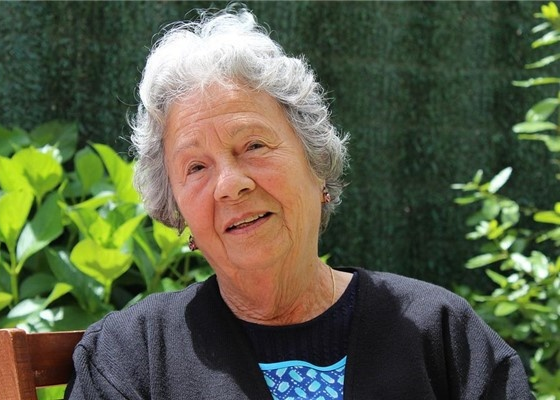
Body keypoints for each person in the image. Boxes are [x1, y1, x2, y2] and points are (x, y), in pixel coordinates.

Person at [64, 5, 532, 399]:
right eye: (196, 167)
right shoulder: (132, 356)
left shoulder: (440, 333)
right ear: (177, 209)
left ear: (317, 163)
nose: (230, 184)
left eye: (253, 145)